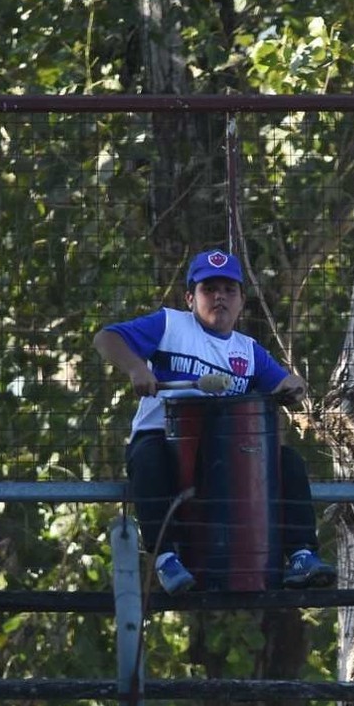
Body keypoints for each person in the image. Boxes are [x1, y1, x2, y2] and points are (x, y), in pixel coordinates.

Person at [94, 248, 337, 594]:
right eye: (209, 289)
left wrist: (294, 386)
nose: (219, 297)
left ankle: (300, 554)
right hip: (163, 438)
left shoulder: (249, 350)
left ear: (241, 301)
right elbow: (106, 338)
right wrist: (136, 368)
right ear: (190, 297)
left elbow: (284, 381)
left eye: (229, 289)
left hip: (227, 453)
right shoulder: (169, 324)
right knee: (147, 460)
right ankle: (165, 558)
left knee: (289, 462)